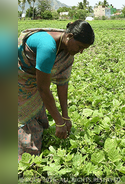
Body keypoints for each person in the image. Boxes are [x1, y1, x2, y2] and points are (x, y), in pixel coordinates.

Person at [18, 20, 94, 161]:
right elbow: (43, 88)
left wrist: (65, 116)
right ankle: (24, 159)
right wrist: (58, 122)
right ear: (69, 36)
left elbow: (62, 83)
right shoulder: (48, 47)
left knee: (36, 111)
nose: (81, 52)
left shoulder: (65, 46)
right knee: (25, 117)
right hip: (19, 78)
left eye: (84, 49)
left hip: (35, 80)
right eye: (80, 46)